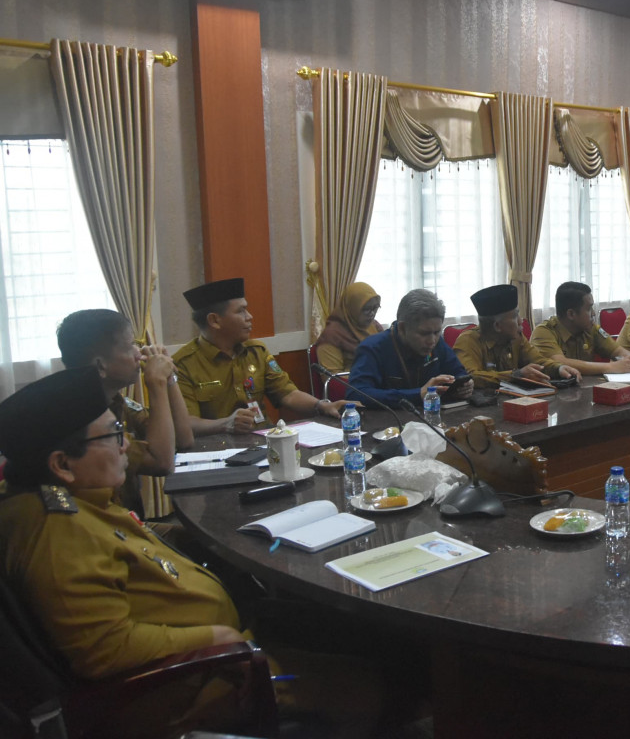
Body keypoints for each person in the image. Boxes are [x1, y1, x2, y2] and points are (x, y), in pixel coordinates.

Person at [0, 368, 400, 738]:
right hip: (190, 687)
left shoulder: (76, 501)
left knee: (351, 629)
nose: (126, 445)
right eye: (112, 434)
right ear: (62, 465)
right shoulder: (57, 531)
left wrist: (189, 537)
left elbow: (120, 539)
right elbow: (104, 650)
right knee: (367, 682)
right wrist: (219, 637)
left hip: (217, 658)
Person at [56, 309, 194, 514]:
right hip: (103, 532)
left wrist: (169, 378)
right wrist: (155, 384)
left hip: (128, 525)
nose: (139, 354)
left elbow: (184, 439)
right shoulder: (85, 416)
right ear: (100, 365)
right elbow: (162, 462)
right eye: (130, 346)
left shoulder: (118, 402)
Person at [173, 278, 344, 434]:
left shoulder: (256, 351)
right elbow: (186, 423)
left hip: (263, 439)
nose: (250, 317)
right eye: (241, 311)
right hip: (216, 449)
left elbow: (287, 394)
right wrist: (225, 424)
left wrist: (322, 406)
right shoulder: (183, 364)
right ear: (214, 321)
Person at [348, 288, 473, 407]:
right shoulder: (372, 348)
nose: (432, 341)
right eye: (424, 333)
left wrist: (464, 386)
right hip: (388, 425)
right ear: (402, 328)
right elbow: (356, 394)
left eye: (436, 332)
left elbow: (458, 374)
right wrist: (417, 395)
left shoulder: (437, 342)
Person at [452, 284, 580, 389]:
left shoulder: (516, 337)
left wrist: (559, 368)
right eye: (515, 316)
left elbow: (538, 362)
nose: (521, 321)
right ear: (497, 326)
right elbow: (470, 377)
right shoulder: (468, 341)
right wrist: (515, 375)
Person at [530, 282, 630, 376]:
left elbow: (618, 351)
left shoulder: (591, 330)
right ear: (571, 314)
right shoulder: (543, 332)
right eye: (589, 309)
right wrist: (611, 367)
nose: (593, 314)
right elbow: (560, 362)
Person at [313, 282, 383, 372]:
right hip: (355, 384)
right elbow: (333, 379)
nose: (372, 313)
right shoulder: (331, 335)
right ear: (352, 308)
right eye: (367, 309)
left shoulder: (374, 326)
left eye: (375, 308)